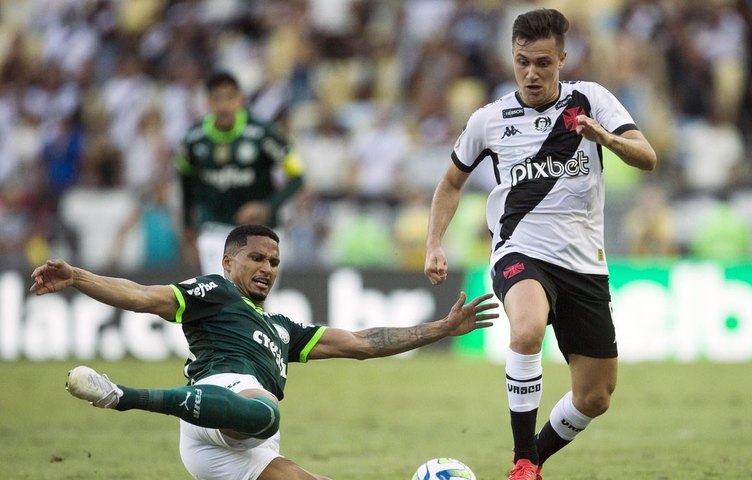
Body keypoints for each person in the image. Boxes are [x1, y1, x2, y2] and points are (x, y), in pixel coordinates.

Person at [30, 224, 498, 480]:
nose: (267, 268)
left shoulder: (282, 329)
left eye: (274, 261)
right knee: (267, 409)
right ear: (228, 261)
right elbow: (141, 295)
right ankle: (123, 396)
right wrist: (79, 277)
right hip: (219, 406)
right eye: (256, 258)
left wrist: (440, 328)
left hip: (239, 452)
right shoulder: (214, 291)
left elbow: (361, 343)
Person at [423, 9, 656, 480]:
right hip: (519, 251)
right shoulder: (489, 120)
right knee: (526, 330)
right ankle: (523, 460)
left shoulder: (591, 99)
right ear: (511, 58)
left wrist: (604, 137)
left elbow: (647, 157)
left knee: (595, 396)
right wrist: (434, 243)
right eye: (522, 61)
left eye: (543, 63)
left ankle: (535, 460)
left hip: (585, 264)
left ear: (562, 60)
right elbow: (451, 182)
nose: (531, 73)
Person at [176, 71, 305, 275]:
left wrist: (268, 206)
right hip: (215, 229)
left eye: (229, 97)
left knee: (256, 300)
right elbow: (185, 183)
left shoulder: (263, 134)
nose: (224, 106)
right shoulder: (193, 140)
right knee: (225, 294)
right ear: (208, 102)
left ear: (240, 99)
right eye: (217, 98)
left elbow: (298, 177)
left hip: (261, 229)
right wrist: (187, 226)